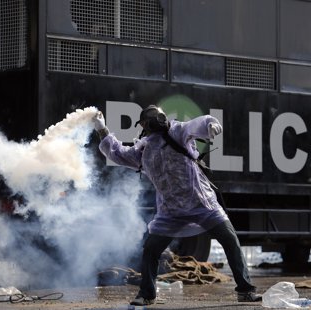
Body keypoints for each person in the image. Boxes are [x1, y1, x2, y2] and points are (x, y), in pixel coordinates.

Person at [92, 105, 262, 306]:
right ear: (144, 125)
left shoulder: (177, 132)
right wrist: (101, 128)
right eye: (152, 116)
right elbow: (117, 153)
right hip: (171, 213)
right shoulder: (143, 150)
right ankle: (147, 294)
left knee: (230, 241)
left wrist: (211, 124)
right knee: (151, 250)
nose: (157, 118)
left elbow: (196, 125)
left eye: (158, 114)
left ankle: (245, 290)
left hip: (202, 204)